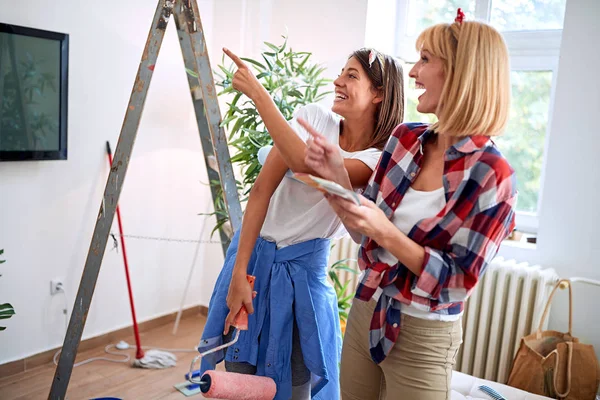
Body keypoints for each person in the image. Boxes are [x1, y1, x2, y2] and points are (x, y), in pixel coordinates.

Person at [302, 10, 517, 400]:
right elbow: (363, 233)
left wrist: (386, 232)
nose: (413, 72)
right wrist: (335, 176)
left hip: (424, 335)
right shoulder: (404, 140)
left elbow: (457, 282)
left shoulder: (491, 174)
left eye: (425, 60)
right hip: (368, 308)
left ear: (461, 72)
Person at [196, 47, 405, 400]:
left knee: (295, 385)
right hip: (253, 263)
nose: (338, 80)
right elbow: (261, 191)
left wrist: (258, 94)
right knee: (239, 377)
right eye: (341, 71)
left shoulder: (376, 159)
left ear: (379, 94)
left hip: (302, 282)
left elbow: (310, 167)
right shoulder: (313, 117)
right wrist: (238, 273)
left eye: (351, 75)